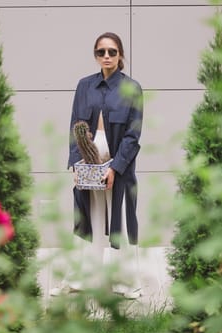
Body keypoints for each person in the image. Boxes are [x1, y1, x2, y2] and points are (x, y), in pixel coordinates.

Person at [51, 32, 144, 299]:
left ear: (121, 55)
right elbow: (75, 125)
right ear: (95, 55)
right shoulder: (84, 86)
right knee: (89, 219)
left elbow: (133, 135)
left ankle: (125, 283)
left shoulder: (132, 88)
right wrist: (76, 164)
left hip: (118, 164)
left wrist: (115, 168)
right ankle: (82, 279)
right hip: (87, 162)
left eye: (112, 52)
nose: (106, 56)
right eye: (101, 52)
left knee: (120, 220)